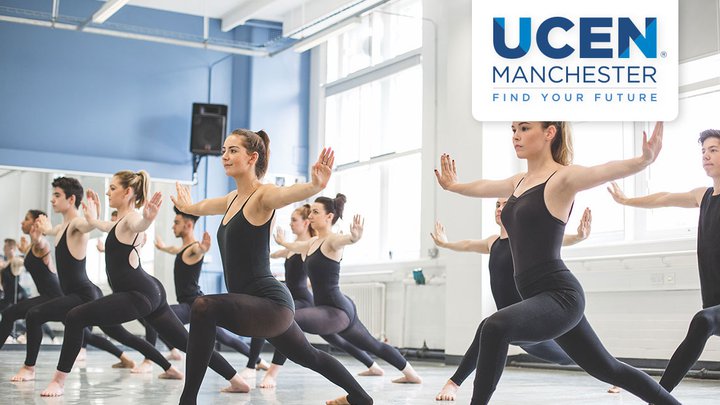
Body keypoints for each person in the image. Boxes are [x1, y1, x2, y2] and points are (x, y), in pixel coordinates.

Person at [434, 121, 678, 404]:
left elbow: (601, 171)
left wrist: (642, 161)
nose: (516, 135)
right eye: (513, 129)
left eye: (525, 128)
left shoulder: (562, 179)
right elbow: (484, 186)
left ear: (550, 133)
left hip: (560, 296)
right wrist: (454, 186)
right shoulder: (519, 182)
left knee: (494, 326)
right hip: (541, 299)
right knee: (609, 369)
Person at [172, 129, 372, 405]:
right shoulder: (232, 199)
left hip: (271, 303)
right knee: (309, 357)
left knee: (203, 306)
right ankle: (361, 398)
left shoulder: (263, 196)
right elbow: (204, 206)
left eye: (233, 151)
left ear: (253, 157)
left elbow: (287, 194)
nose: (225, 157)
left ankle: (188, 401)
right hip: (256, 305)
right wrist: (188, 206)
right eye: (224, 151)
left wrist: (314, 187)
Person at [40, 171, 248, 397]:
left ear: (127, 192)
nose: (108, 192)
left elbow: (139, 224)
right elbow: (102, 225)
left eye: (112, 188)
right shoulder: (118, 222)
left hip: (139, 293)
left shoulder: (131, 218)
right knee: (187, 343)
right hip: (150, 291)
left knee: (75, 317)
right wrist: (91, 217)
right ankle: (236, 380)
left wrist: (148, 218)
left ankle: (58, 382)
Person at [432, 202, 620, 400]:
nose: (499, 208)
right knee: (489, 329)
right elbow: (468, 244)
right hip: (513, 326)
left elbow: (557, 238)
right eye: (497, 204)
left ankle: (617, 375)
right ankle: (454, 383)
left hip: (536, 320)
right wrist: (445, 244)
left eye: (505, 204)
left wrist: (579, 237)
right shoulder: (492, 242)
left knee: (570, 357)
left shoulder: (526, 239)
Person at [607, 128, 720, 394]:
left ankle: (658, 396)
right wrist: (626, 200)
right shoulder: (702, 196)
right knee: (706, 320)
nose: (706, 156)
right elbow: (664, 198)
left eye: (713, 150)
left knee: (703, 321)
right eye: (703, 152)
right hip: (715, 300)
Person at [273, 194, 422, 387]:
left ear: (329, 217)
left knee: (289, 319)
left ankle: (273, 372)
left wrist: (354, 237)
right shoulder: (313, 242)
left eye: (315, 212)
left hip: (337, 311)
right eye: (310, 212)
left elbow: (347, 240)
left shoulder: (333, 241)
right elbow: (295, 245)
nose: (310, 216)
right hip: (327, 310)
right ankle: (407, 373)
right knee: (369, 345)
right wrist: (283, 242)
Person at [13, 177, 145, 382]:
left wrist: (94, 217)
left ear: (71, 198)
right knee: (113, 335)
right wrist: (40, 233)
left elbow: (88, 226)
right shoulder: (62, 227)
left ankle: (29, 368)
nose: (53, 201)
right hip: (75, 294)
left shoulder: (76, 223)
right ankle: (138, 360)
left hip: (83, 294)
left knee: (35, 314)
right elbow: (50, 231)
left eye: (57, 195)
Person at [256, 204, 384, 388]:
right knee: (336, 339)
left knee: (285, 323)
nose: (291, 224)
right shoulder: (295, 247)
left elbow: (317, 272)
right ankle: (372, 365)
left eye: (294, 220)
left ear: (305, 223)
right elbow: (274, 253)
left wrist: (353, 237)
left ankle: (271, 373)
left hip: (302, 300)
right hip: (294, 297)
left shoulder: (310, 246)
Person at [144, 206, 269, 375]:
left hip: (191, 304)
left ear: (188, 225)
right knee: (225, 338)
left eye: (176, 222)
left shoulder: (193, 249)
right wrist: (162, 247)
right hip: (193, 303)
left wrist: (203, 249)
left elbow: (197, 251)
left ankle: (150, 360)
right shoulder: (182, 249)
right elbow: (174, 250)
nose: (173, 226)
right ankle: (259, 361)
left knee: (155, 317)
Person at [0, 211, 62, 348]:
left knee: (12, 314)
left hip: (56, 297)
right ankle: (122, 355)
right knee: (14, 315)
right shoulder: (32, 247)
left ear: (35, 223)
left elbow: (41, 245)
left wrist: (38, 238)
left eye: (26, 219)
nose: (22, 222)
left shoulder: (42, 243)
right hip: (47, 296)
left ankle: (121, 353)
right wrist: (24, 250)